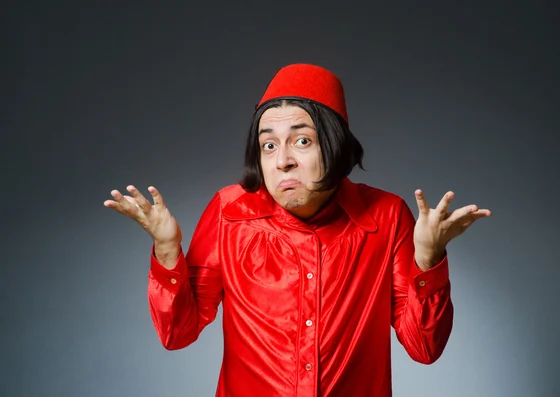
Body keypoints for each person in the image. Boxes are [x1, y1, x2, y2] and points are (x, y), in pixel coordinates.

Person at [104, 63, 491, 396]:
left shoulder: (386, 216)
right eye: (268, 145)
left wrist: (428, 260)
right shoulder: (229, 212)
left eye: (301, 141)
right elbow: (178, 334)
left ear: (335, 145)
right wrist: (167, 250)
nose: (283, 161)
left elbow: (424, 348)